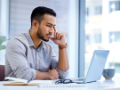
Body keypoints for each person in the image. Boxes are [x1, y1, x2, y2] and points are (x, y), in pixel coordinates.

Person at [5, 6, 69, 81]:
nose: (52, 31)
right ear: (35, 24)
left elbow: (62, 75)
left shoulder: (48, 48)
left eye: (53, 27)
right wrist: (49, 75)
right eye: (48, 26)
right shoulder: (16, 44)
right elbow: (24, 75)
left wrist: (62, 47)